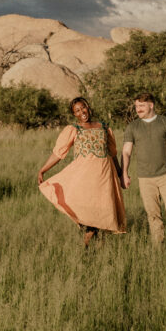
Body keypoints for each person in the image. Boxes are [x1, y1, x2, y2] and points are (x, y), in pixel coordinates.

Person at [37, 97, 126, 246]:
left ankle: (96, 250)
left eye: (83, 107)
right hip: (84, 178)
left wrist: (120, 173)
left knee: (102, 212)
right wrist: (43, 170)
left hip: (104, 177)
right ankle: (87, 249)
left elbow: (112, 153)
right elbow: (58, 153)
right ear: (74, 114)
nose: (82, 112)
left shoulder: (104, 127)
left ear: (88, 107)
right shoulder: (73, 129)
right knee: (89, 215)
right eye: (77, 111)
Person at [121, 92, 166, 247]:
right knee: (153, 215)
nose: (138, 109)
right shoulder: (132, 127)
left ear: (151, 105)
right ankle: (158, 249)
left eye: (142, 106)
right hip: (145, 178)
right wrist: (124, 173)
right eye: (136, 106)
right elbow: (126, 152)